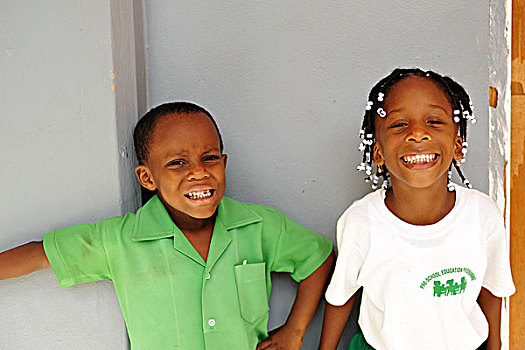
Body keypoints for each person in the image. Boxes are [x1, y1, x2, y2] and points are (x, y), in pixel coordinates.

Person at [0, 102, 334, 350]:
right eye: (177, 163)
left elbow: (318, 258)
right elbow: (41, 254)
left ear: (224, 162)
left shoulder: (260, 226)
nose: (199, 172)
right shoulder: (121, 241)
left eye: (210, 157)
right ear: (148, 178)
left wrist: (295, 329)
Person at [319, 68, 515, 350]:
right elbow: (340, 296)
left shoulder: (483, 215)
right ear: (379, 153)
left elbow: (492, 288)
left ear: (458, 145)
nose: (418, 133)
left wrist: (495, 346)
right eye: (399, 125)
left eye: (434, 121)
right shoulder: (361, 222)